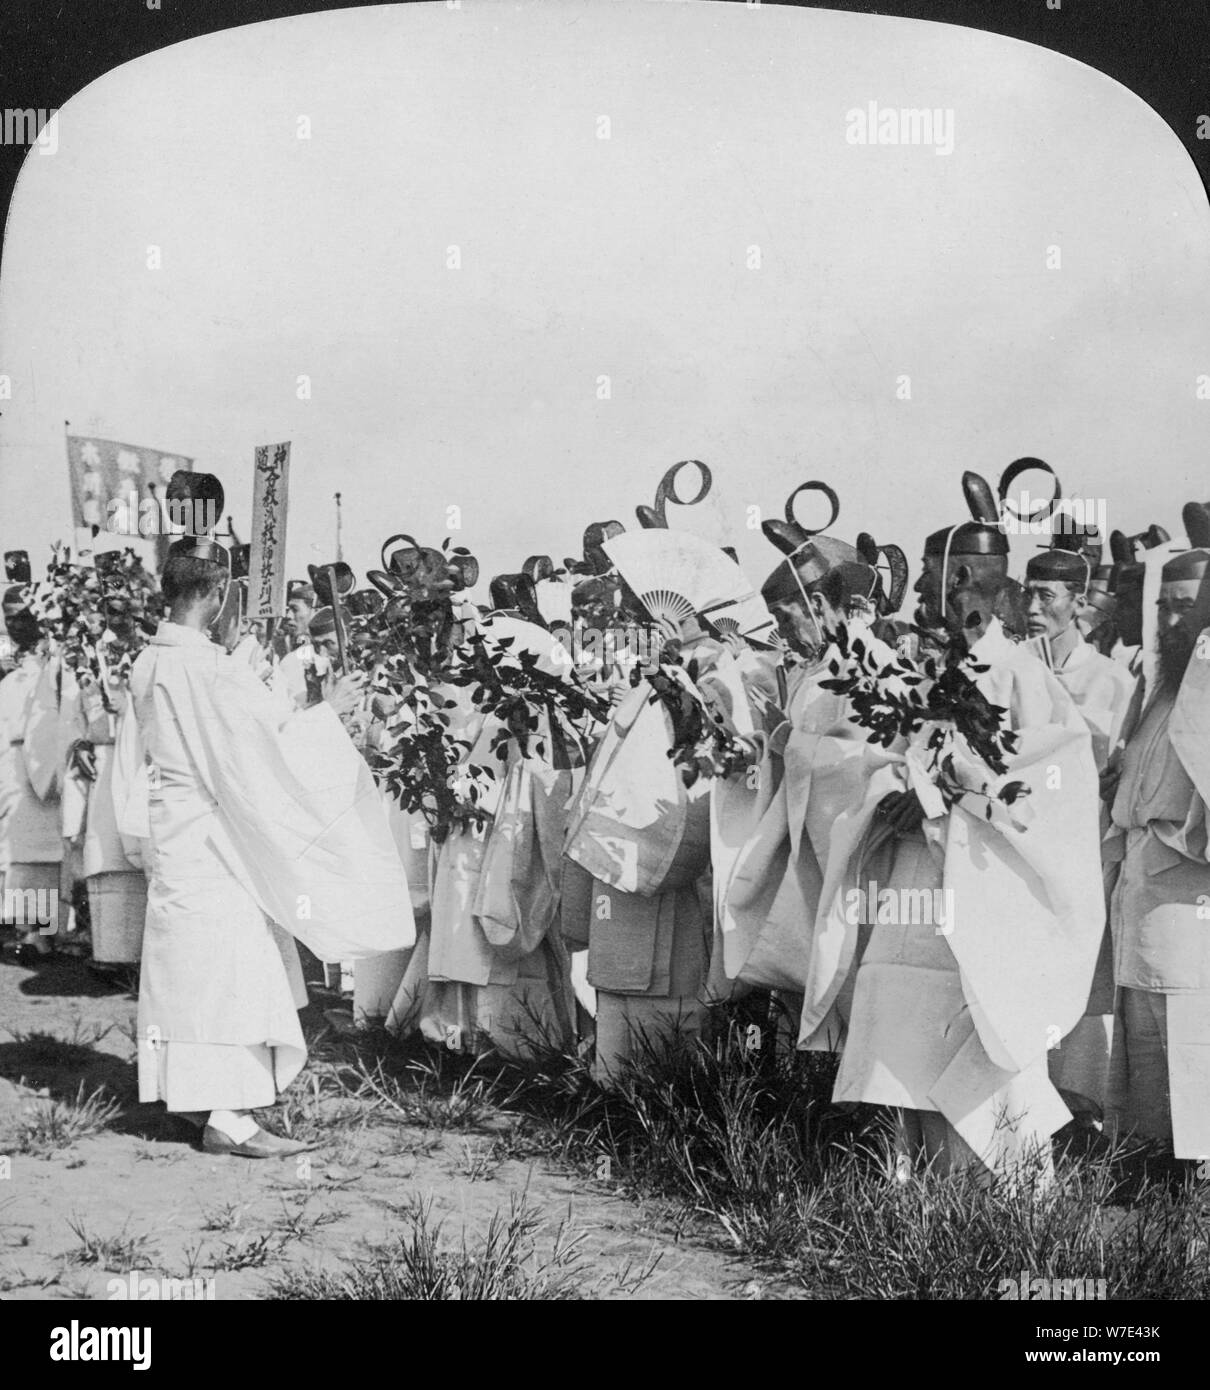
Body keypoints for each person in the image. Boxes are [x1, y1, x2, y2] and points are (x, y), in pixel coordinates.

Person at [826, 483, 1104, 1181]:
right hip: (912, 890)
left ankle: (994, 1217)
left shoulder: (1020, 676)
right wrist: (892, 788)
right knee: (898, 1042)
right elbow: (895, 756)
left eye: (927, 574)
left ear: (961, 579)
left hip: (981, 892)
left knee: (976, 1043)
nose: (918, 587)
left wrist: (955, 791)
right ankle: (907, 1208)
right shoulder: (932, 674)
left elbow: (1047, 788)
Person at [130, 540, 414, 1157]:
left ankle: (191, 1097)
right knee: (232, 965)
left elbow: (231, 736)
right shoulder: (204, 669)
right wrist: (327, 714)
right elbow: (257, 757)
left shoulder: (151, 662)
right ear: (218, 592)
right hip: (214, 839)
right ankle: (229, 1118)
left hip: (176, 829)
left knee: (188, 965)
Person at [1023, 544, 1138, 1126]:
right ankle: (1030, 1101)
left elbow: (1117, 764)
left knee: (1083, 962)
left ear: (1076, 603)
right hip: (1021, 839)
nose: (1034, 607)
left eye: (1047, 596)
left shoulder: (1111, 680)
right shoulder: (1013, 665)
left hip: (1084, 841)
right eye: (1028, 593)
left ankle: (1084, 1106)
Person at [1103, 542, 1210, 1165]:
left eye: (1185, 608)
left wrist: (1172, 835)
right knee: (1145, 1059)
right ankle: (1156, 1202)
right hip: (1140, 897)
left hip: (1191, 902)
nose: (1170, 621)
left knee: (1196, 1049)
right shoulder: (1159, 690)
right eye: (1163, 607)